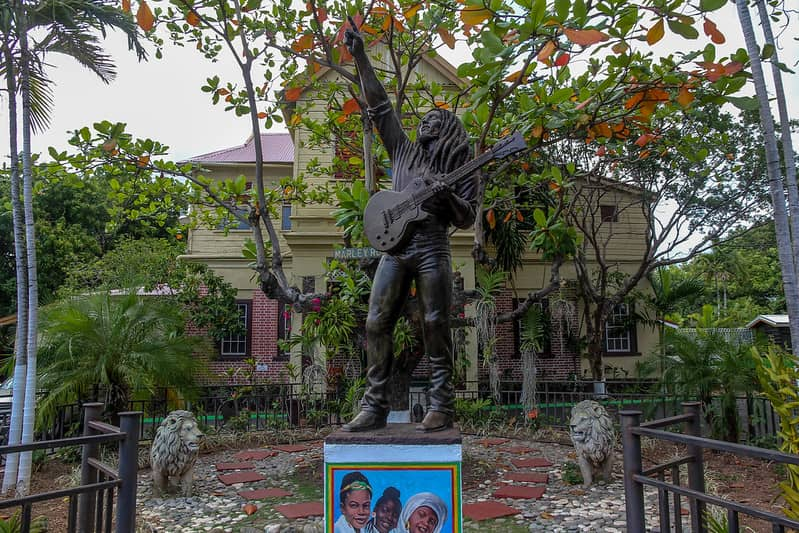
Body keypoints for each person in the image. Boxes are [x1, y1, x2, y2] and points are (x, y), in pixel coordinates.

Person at [341, 17, 478, 433]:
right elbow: (379, 104)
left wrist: (446, 197)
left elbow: (467, 215)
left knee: (436, 322)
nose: (424, 124)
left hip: (433, 246)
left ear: (449, 130)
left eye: (433, 121)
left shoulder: (460, 165)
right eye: (422, 121)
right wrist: (361, 56)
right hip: (396, 248)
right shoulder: (402, 151)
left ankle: (442, 404)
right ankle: (374, 406)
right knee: (375, 322)